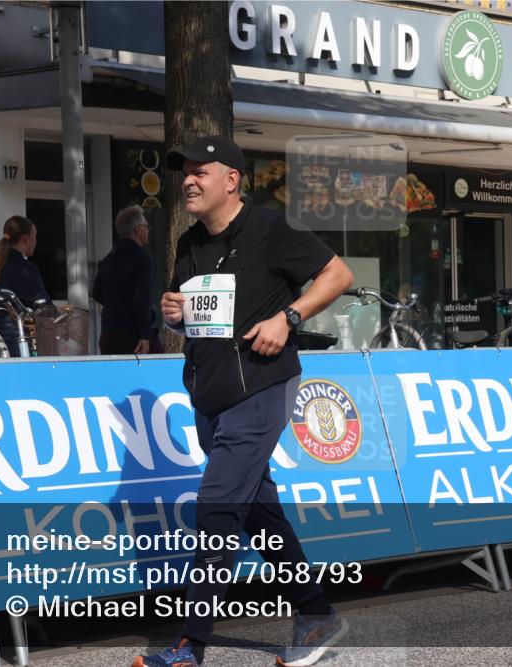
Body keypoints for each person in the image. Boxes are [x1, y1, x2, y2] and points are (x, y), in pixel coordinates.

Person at [134, 136, 354, 667]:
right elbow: (191, 313)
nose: (187, 179)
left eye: (199, 171)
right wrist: (172, 312)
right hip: (210, 395)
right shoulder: (188, 245)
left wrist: (290, 318)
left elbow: (338, 275)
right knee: (259, 513)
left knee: (217, 507)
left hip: (262, 388)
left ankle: (190, 646)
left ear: (231, 179)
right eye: (184, 172)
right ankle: (315, 613)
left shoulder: (272, 229)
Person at [92, 205, 161, 354]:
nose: (148, 230)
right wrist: (145, 335)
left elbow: (96, 293)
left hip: (109, 334)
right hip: (134, 336)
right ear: (137, 229)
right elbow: (142, 299)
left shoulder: (108, 259)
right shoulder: (142, 260)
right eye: (146, 226)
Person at [0, 216, 52, 357]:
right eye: (35, 237)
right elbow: (43, 305)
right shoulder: (26, 269)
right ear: (26, 238)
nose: (36, 242)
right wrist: (56, 314)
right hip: (15, 344)